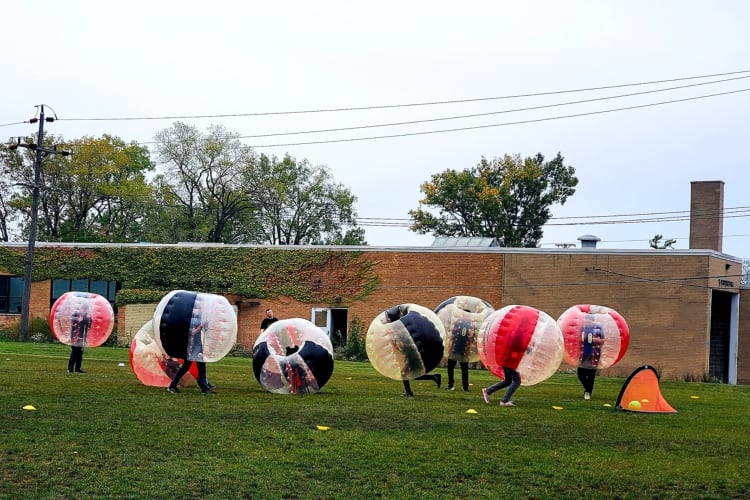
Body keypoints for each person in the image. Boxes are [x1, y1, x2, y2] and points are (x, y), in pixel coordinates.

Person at [578, 318, 605, 400]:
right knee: (580, 374)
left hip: (594, 355)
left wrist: (597, 340)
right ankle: (587, 387)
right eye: (586, 320)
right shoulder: (582, 329)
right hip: (583, 355)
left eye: (589, 320)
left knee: (591, 375)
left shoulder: (598, 328)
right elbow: (577, 340)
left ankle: (588, 392)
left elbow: (603, 341)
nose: (587, 322)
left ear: (593, 321)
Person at [67, 303, 92, 374]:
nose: (85, 311)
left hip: (82, 337)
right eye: (84, 309)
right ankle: (70, 369)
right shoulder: (76, 315)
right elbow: (72, 321)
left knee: (80, 354)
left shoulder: (87, 316)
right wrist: (79, 320)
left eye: (86, 309)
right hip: (75, 337)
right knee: (74, 353)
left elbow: (89, 325)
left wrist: (88, 318)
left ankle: (78, 368)